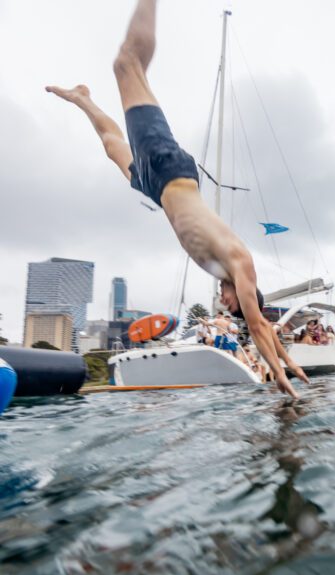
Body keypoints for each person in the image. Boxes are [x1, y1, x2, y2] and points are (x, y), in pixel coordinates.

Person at [46, 0, 303, 397]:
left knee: (113, 148)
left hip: (157, 187)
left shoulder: (226, 273)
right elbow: (257, 324)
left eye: (224, 301)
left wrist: (288, 360)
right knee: (126, 64)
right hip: (170, 169)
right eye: (230, 301)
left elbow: (263, 329)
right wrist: (280, 375)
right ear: (246, 294)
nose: (222, 299)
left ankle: (83, 99)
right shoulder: (241, 264)